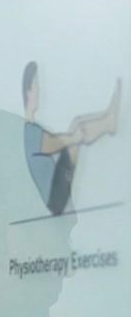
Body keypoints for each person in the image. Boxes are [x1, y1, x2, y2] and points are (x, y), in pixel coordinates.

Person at [21, 62, 120, 216]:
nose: (39, 91)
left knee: (77, 123)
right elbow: (52, 143)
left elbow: (53, 141)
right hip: (55, 197)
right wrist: (75, 138)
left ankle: (107, 118)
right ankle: (108, 122)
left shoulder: (31, 129)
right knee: (77, 128)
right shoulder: (30, 132)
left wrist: (74, 137)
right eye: (36, 86)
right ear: (29, 92)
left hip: (56, 185)